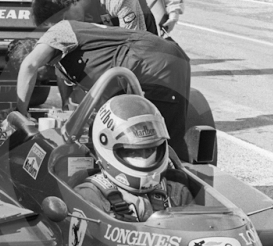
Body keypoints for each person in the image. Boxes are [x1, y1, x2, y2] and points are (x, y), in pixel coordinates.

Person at [17, 0, 191, 159]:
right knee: (123, 133)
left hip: (154, 64)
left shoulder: (57, 32)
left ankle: (174, 182)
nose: (36, 80)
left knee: (155, 140)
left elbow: (29, 66)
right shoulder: (71, 54)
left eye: (34, 78)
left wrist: (21, 113)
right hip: (163, 58)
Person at [74, 94, 192, 222]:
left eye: (150, 150)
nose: (144, 159)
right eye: (133, 152)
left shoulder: (178, 194)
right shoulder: (89, 196)